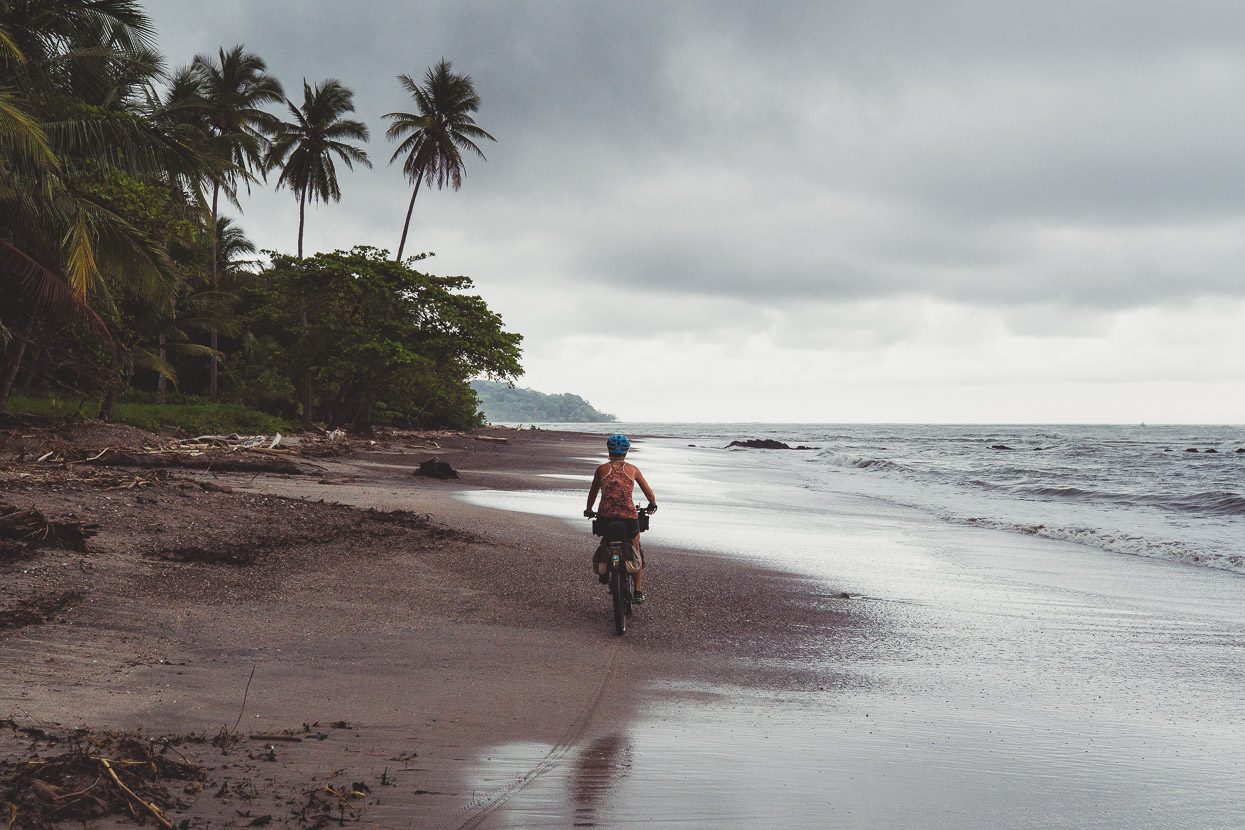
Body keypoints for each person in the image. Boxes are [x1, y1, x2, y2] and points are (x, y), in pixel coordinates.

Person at [584, 433, 657, 603]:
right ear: (626, 451)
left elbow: (593, 492)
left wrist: (589, 510)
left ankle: (604, 570)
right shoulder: (632, 469)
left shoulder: (601, 469)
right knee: (635, 545)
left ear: (609, 450)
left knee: (606, 539)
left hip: (605, 516)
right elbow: (648, 492)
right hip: (628, 516)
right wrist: (652, 504)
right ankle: (638, 591)